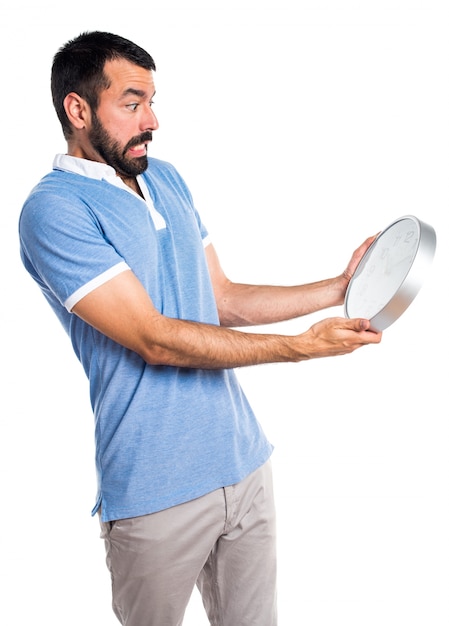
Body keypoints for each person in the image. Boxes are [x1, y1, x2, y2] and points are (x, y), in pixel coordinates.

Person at [18, 30, 382, 626]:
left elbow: (224, 299)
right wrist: (300, 349)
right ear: (78, 110)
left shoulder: (166, 177)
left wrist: (338, 287)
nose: (152, 119)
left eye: (153, 101)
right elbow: (153, 337)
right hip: (153, 489)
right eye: (132, 103)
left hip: (243, 463)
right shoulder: (54, 210)